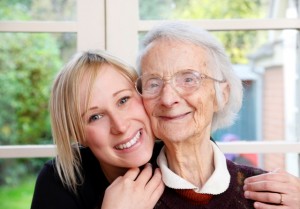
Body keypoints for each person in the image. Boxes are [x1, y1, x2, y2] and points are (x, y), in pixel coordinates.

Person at [135, 21, 300, 208]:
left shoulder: (269, 195)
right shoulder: (127, 199)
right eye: (153, 84)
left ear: (222, 94)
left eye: (189, 79)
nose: (167, 98)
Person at [30, 50, 164, 209]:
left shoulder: (180, 156)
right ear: (77, 135)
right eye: (95, 117)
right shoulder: (58, 181)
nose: (120, 126)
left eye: (123, 100)